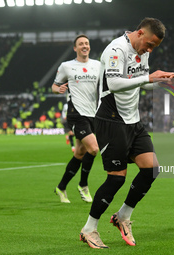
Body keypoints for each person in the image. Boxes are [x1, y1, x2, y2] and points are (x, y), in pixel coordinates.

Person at [79, 18, 174, 248]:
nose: (149, 50)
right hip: (110, 119)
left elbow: (141, 83)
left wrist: (159, 82)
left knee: (151, 169)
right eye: (149, 44)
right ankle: (89, 229)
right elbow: (114, 83)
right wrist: (149, 77)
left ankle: (123, 216)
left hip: (132, 120)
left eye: (153, 47)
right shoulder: (117, 49)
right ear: (139, 33)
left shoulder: (141, 50)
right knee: (116, 178)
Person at [52, 35, 101, 203]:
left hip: (93, 114)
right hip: (76, 114)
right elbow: (55, 85)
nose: (84, 46)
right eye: (81, 44)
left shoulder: (97, 65)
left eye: (86, 43)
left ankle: (61, 187)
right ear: (75, 48)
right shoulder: (67, 66)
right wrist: (57, 90)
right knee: (94, 149)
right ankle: (83, 184)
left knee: (80, 152)